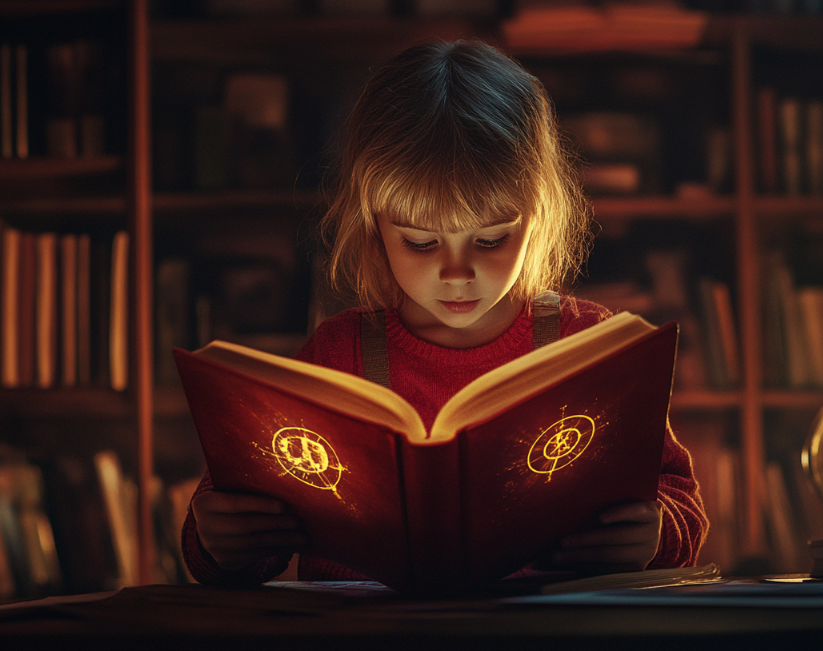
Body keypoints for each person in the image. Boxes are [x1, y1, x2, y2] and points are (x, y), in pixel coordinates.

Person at [182, 39, 707, 586]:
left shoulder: (589, 346)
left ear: (538, 215)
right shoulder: (340, 353)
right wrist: (223, 543)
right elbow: (240, 535)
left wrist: (654, 534)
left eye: (490, 240)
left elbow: (678, 502)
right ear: (375, 225)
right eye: (421, 243)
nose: (457, 273)